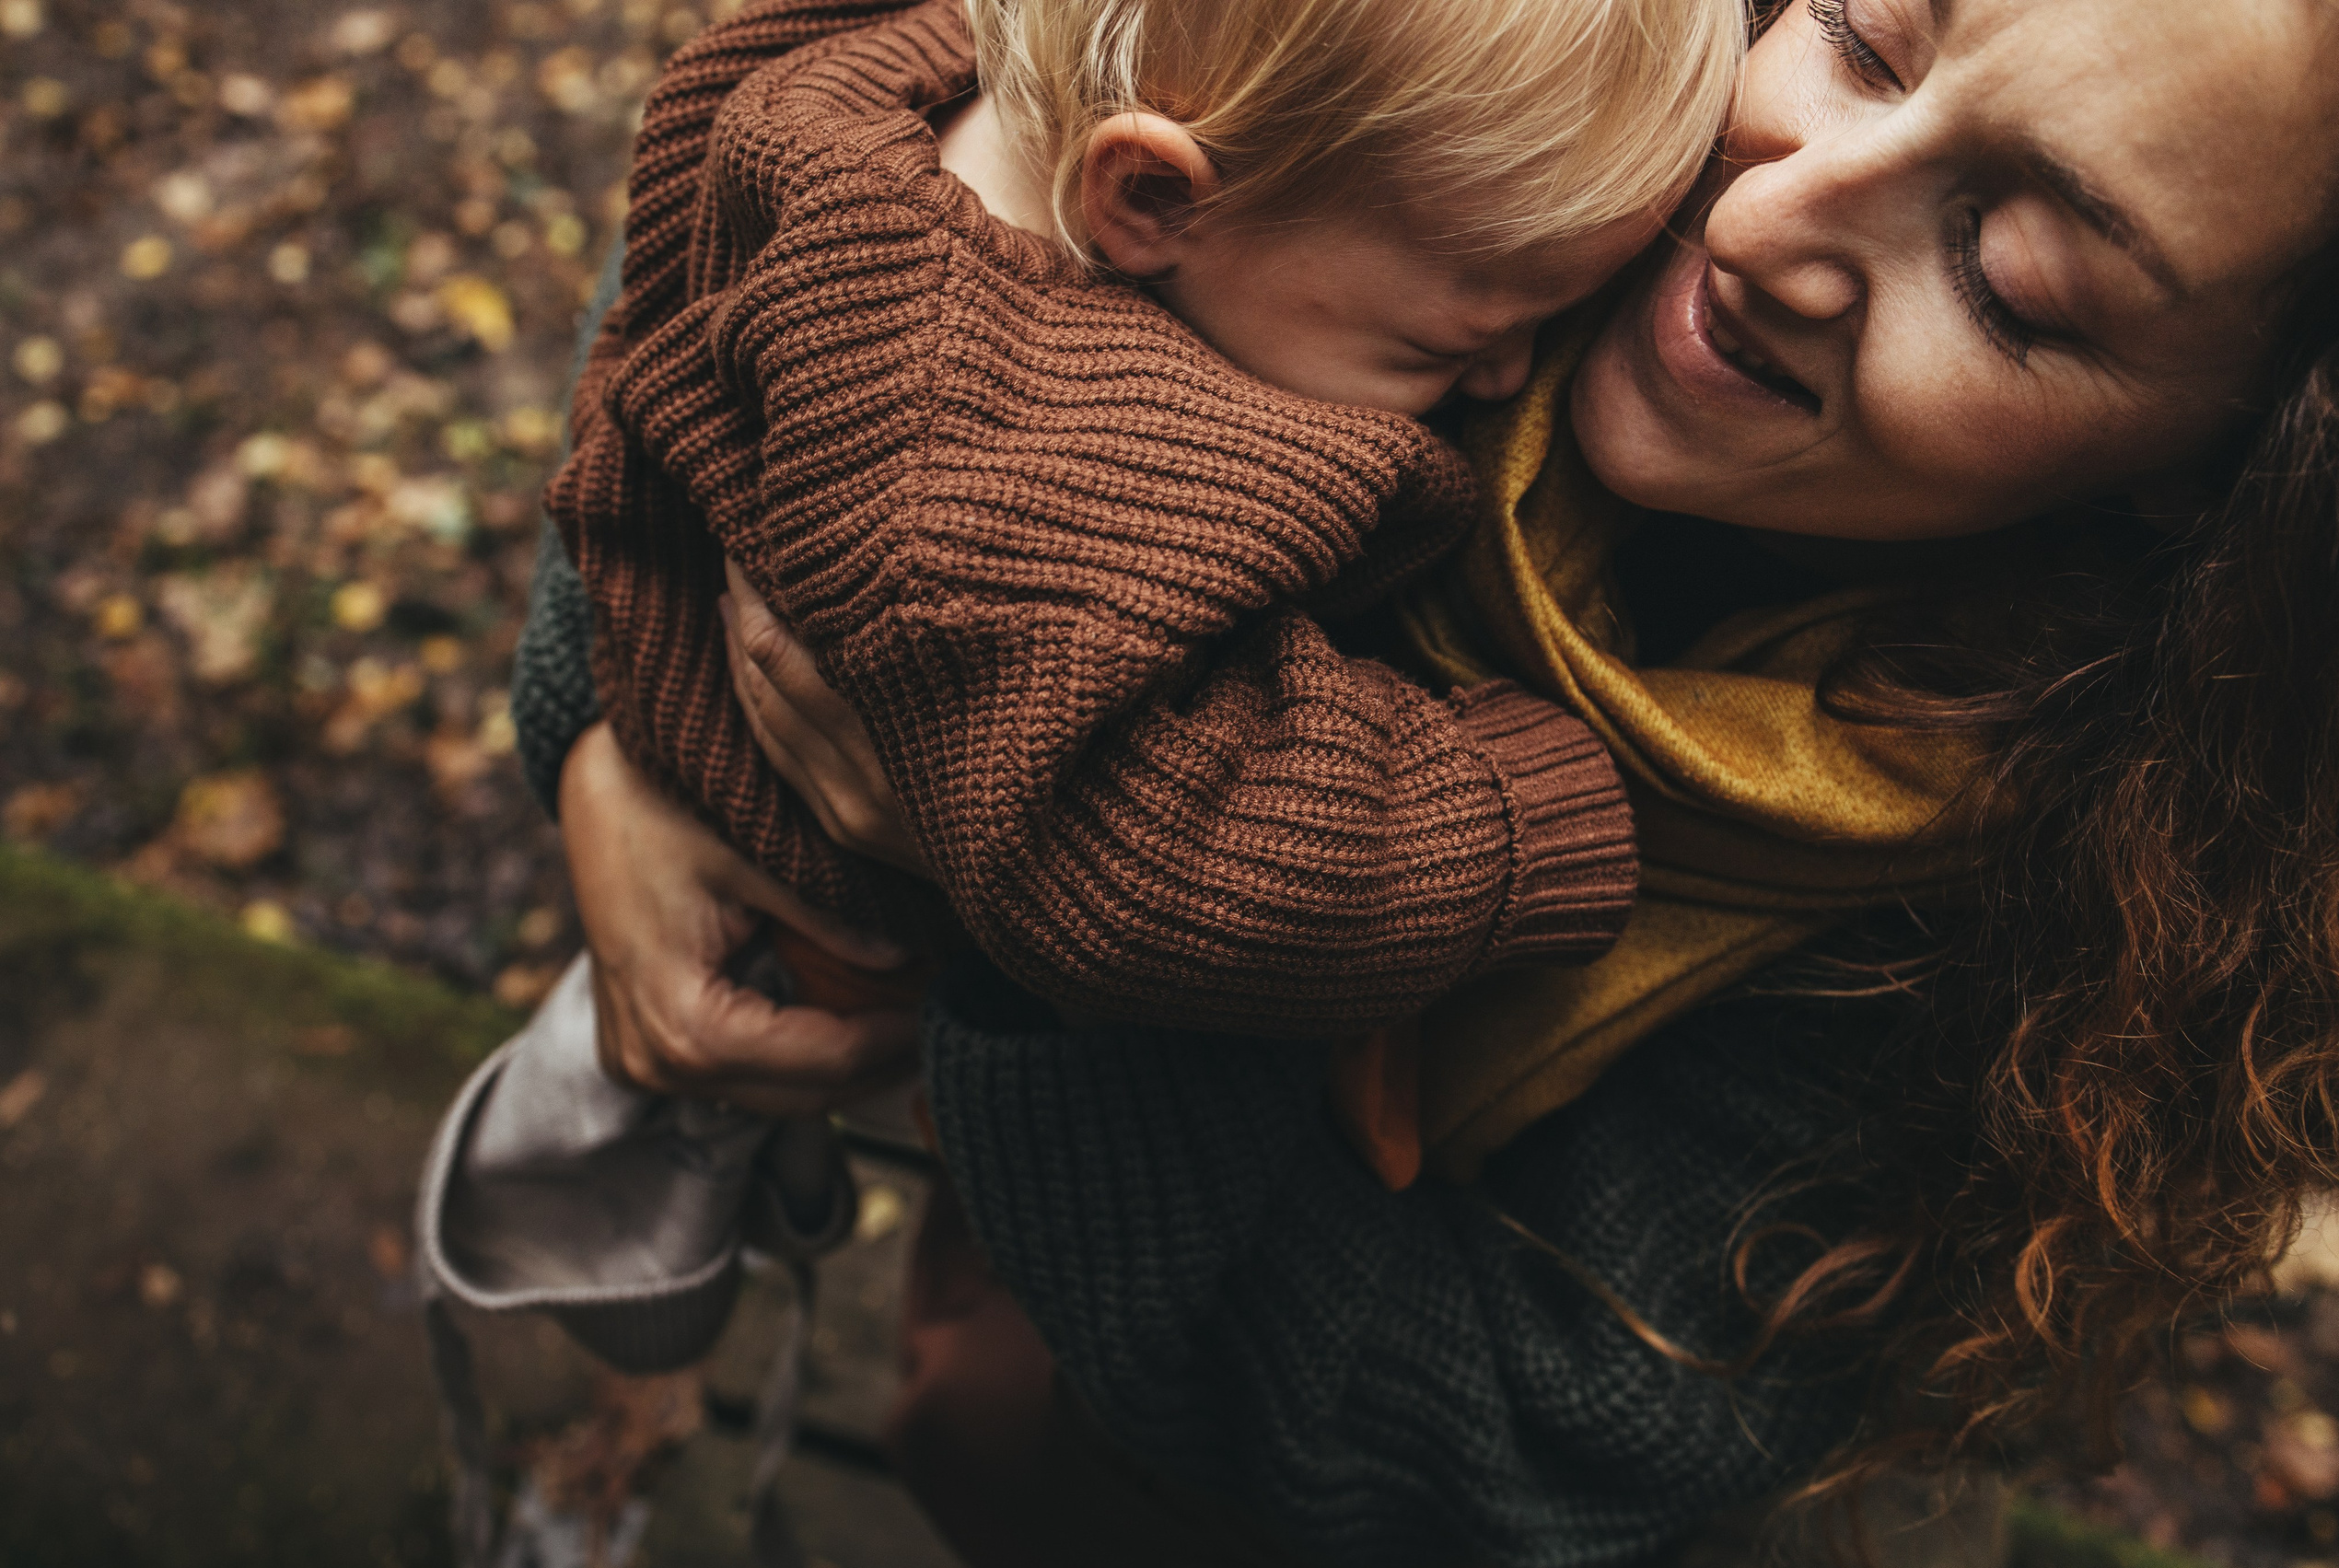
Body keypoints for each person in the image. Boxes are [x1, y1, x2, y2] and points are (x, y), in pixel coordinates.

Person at [516, 0, 2339, 1564]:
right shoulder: (1551, 51)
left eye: (2010, 277)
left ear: (2236, 480)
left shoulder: (2039, 919)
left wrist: (1028, 853)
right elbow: (859, 132)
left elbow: (1493, 1448)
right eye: (1865, 36)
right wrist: (615, 717)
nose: (1767, 215)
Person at [546, 0, 1750, 1050]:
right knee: (759, 1050)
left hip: (689, 659)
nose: (1507, 381)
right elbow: (1156, 874)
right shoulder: (1007, 487)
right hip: (805, 896)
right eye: (1459, 341)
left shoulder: (893, 76)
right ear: (1155, 198)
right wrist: (1528, 816)